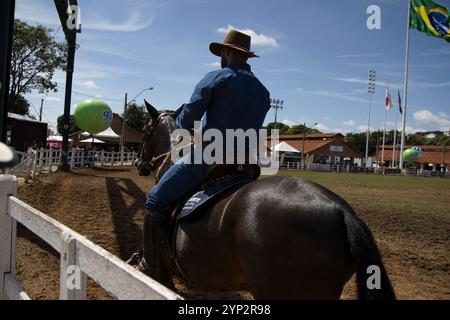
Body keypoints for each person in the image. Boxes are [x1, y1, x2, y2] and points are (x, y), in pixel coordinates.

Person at [136, 29, 271, 281]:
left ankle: (152, 266)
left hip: (209, 157)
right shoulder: (263, 91)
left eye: (222, 51)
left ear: (228, 52)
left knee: (154, 200)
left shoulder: (215, 78)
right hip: (246, 164)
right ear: (247, 56)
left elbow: (186, 120)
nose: (221, 56)